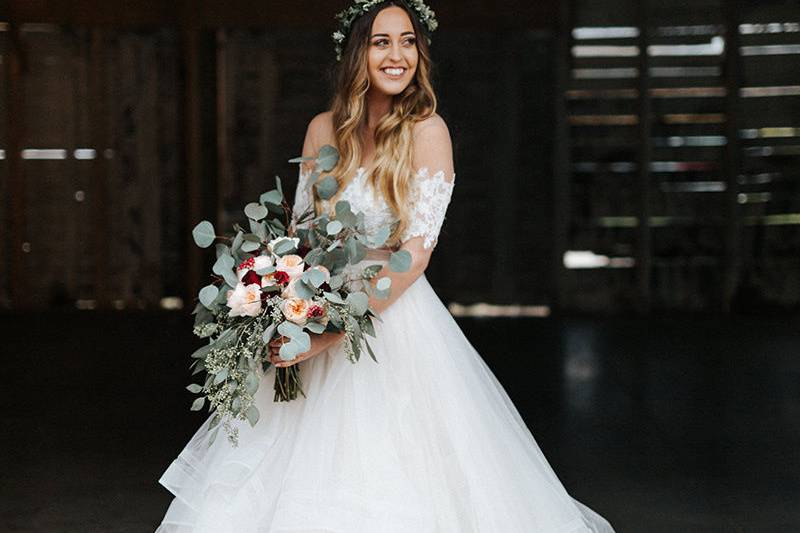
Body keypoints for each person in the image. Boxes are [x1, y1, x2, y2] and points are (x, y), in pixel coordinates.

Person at [156, 1, 616, 531]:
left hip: (388, 318)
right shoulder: (322, 130)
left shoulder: (427, 131)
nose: (397, 55)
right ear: (357, 53)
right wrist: (278, 303)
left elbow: (415, 254)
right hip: (313, 305)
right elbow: (300, 238)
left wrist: (334, 333)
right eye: (381, 42)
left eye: (408, 42)